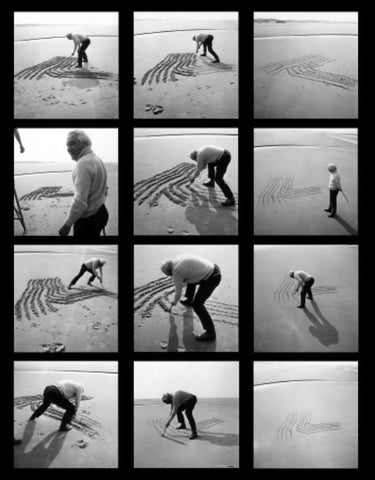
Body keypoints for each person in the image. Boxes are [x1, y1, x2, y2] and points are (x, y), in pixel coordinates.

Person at [59, 130, 109, 237]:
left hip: (89, 220)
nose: (68, 149)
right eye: (67, 145)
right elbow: (105, 189)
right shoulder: (96, 158)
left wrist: (67, 225)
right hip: (101, 212)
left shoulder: (83, 164)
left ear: (85, 143)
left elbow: (80, 202)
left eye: (72, 143)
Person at [161, 253, 221, 341]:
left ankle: (211, 333)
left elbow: (178, 291)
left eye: (168, 275)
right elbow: (190, 271)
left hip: (212, 278)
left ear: (170, 272)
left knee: (197, 305)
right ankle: (189, 299)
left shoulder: (176, 272)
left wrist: (174, 302)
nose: (169, 276)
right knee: (189, 278)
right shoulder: (178, 258)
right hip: (213, 268)